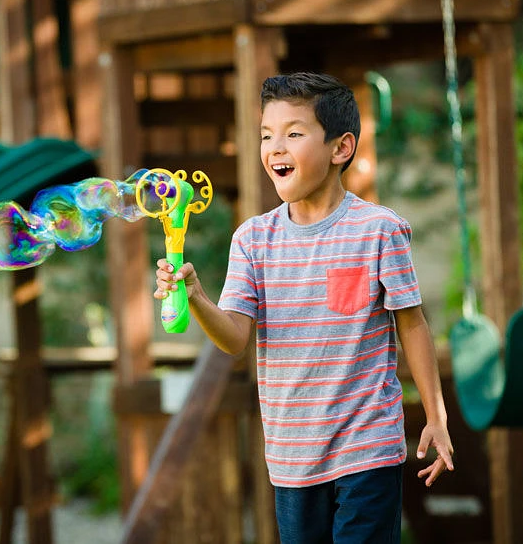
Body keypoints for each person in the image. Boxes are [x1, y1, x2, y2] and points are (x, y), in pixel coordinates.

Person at [153, 72, 454, 544]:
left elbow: (412, 326)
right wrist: (195, 297)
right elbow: (233, 337)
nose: (276, 147)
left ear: (341, 148)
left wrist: (435, 416)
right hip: (292, 458)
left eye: (294, 133)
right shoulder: (252, 240)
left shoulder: (378, 230)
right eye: (267, 135)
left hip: (366, 446)